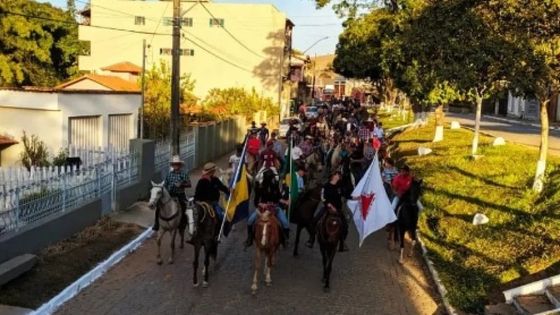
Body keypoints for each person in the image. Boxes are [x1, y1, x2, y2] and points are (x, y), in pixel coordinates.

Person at [307, 170, 348, 251]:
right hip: (328, 208)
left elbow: (345, 194)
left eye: (338, 176)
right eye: (336, 175)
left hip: (338, 209)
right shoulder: (326, 186)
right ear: (332, 176)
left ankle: (342, 242)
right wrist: (329, 205)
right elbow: (323, 197)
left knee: (345, 226)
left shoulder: (340, 186)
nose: (337, 176)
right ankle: (311, 239)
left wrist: (355, 197)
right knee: (315, 221)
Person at [153, 155, 191, 231]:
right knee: (158, 207)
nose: (176, 165)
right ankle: (156, 224)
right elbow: (165, 185)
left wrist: (181, 184)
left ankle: (182, 223)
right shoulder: (169, 174)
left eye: (177, 164)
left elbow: (189, 184)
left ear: (180, 165)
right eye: (174, 164)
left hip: (180, 194)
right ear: (172, 165)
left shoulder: (184, 174)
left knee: (184, 207)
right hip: (169, 195)